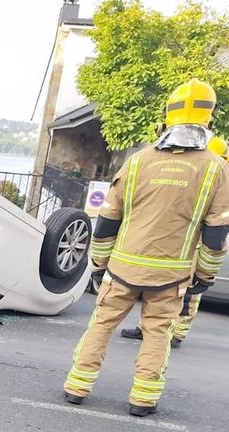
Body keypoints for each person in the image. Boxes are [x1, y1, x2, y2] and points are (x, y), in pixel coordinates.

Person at [63, 78, 229, 417]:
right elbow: (216, 234)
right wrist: (204, 276)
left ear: (168, 115)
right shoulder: (216, 168)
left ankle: (76, 386)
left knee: (100, 325)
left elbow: (107, 219)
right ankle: (143, 399)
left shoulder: (138, 161)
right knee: (157, 335)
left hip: (122, 269)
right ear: (208, 117)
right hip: (171, 275)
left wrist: (99, 264)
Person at [120, 135, 229, 348]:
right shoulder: (205, 171)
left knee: (188, 292)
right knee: (161, 288)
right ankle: (147, 328)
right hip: (184, 238)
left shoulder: (219, 175)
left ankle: (177, 333)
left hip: (198, 240)